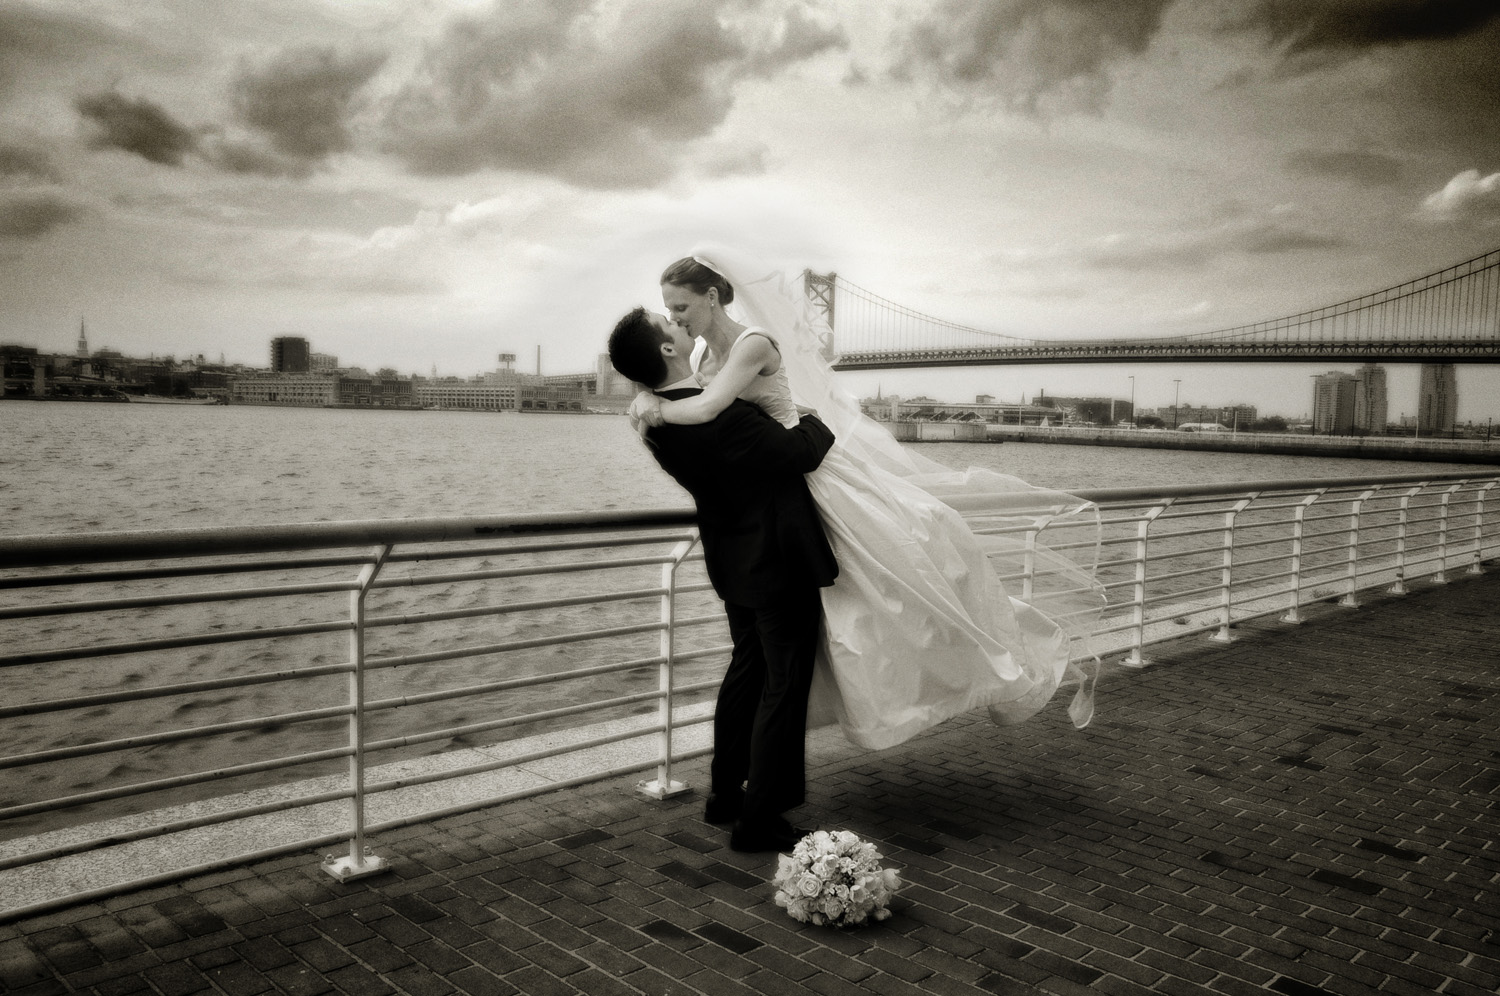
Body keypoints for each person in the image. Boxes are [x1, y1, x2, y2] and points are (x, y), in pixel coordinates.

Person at [629, 245, 1105, 752]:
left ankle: (961, 677)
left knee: (899, 586)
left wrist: (650, 404)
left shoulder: (751, 344)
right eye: (669, 310)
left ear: (710, 296)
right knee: (848, 613)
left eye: (679, 307)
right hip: (778, 496)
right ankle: (794, 741)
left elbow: (708, 410)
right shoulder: (702, 355)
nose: (675, 317)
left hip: (816, 479)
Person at [608, 306, 839, 853]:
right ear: (667, 351)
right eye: (668, 324)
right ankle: (760, 818)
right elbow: (801, 452)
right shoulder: (720, 415)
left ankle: (725, 796)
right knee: (782, 687)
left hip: (733, 561)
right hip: (778, 561)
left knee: (746, 674)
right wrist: (816, 417)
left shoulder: (656, 419)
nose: (677, 323)